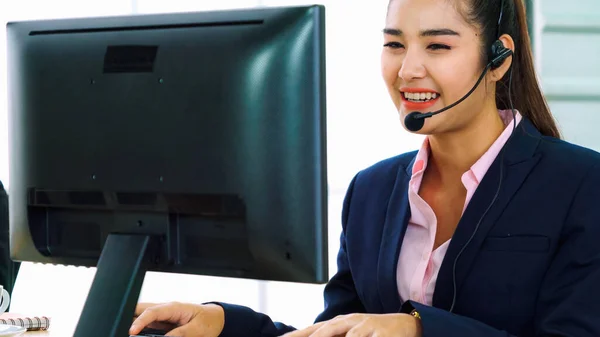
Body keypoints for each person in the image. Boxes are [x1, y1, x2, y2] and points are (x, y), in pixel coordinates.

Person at [130, 0, 600, 336]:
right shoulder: (372, 191)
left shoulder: (579, 185)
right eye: (395, 45)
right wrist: (225, 324)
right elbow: (338, 332)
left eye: (437, 46)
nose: (408, 69)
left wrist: (418, 332)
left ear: (498, 58)